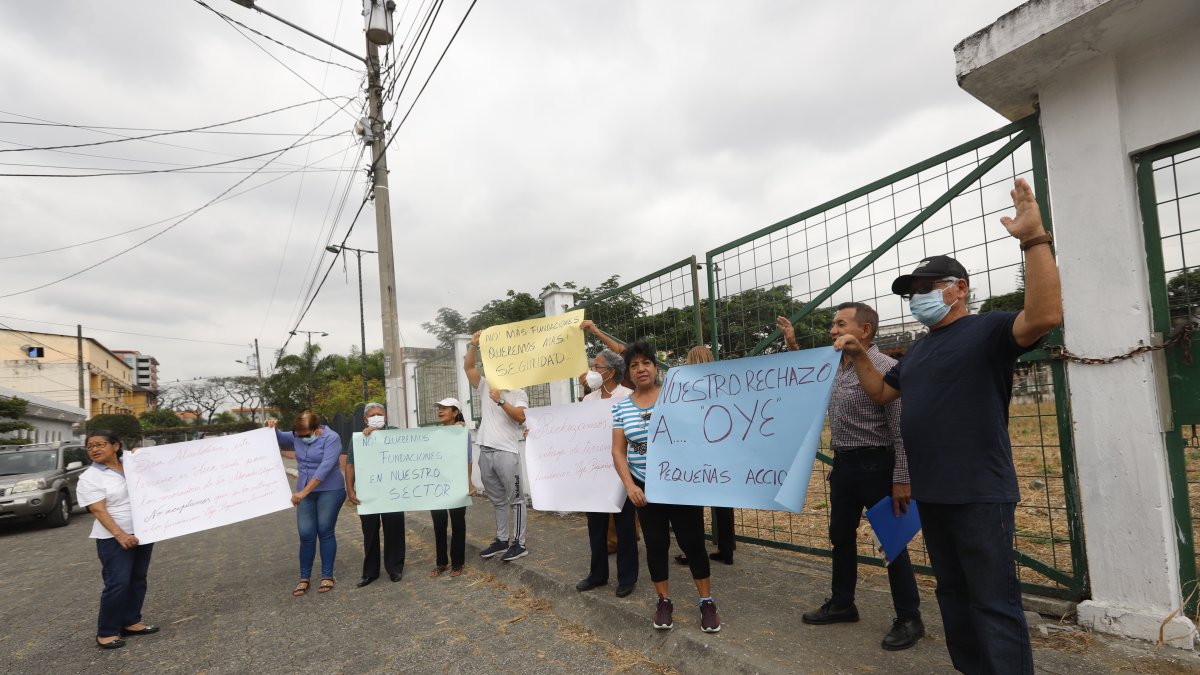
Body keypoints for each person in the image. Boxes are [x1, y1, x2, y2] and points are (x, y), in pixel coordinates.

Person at [836, 178, 1060, 674]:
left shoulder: (988, 330)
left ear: (959, 290)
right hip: (931, 495)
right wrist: (858, 357)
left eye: (926, 288)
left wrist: (1034, 240)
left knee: (994, 602)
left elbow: (1044, 314)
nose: (917, 297)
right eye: (911, 293)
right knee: (954, 596)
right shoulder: (919, 352)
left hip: (979, 492)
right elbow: (881, 392)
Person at [779, 305, 923, 651]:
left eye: (840, 324)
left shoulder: (887, 368)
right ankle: (843, 603)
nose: (832, 330)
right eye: (832, 324)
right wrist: (792, 346)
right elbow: (807, 377)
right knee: (840, 536)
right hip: (844, 467)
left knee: (892, 543)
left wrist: (902, 477)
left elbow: (901, 429)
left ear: (865, 330)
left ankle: (909, 617)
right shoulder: (836, 366)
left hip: (879, 466)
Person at [612, 340, 721, 633]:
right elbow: (618, 452)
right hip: (645, 490)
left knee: (693, 544)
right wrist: (630, 485)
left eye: (645, 363)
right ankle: (664, 601)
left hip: (680, 485)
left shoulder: (677, 396)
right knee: (656, 545)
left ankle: (707, 602)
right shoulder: (621, 407)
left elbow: (701, 428)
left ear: (655, 367)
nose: (640, 369)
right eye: (633, 365)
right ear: (629, 373)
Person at [76, 430, 159, 650]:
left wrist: (142, 457)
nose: (94, 449)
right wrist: (120, 535)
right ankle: (107, 632)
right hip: (114, 538)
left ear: (116, 445)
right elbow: (98, 510)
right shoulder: (89, 477)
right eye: (90, 446)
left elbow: (160, 473)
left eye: (100, 444)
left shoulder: (131, 465)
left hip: (143, 531)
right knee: (117, 583)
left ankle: (131, 622)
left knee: (138, 579)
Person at [576, 348, 639, 598]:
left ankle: (627, 577)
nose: (591, 372)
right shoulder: (589, 400)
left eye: (597, 367)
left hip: (622, 472)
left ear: (611, 372)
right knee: (597, 528)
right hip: (595, 473)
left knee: (625, 528)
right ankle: (598, 574)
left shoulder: (628, 396)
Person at [464, 330, 531, 563]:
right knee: (498, 500)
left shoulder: (518, 392)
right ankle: (501, 539)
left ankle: (519, 543)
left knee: (516, 499)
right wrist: (473, 345)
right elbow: (469, 369)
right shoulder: (485, 386)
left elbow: (520, 417)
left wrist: (501, 400)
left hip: (506, 452)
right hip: (486, 451)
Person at [267, 411, 347, 596]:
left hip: (329, 490)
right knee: (306, 534)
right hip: (305, 492)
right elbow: (277, 437)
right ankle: (304, 577)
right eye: (299, 435)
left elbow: (325, 468)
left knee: (325, 531)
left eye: (306, 435)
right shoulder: (296, 435)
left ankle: (327, 575)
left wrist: (303, 491)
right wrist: (272, 426)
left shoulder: (331, 438)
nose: (302, 438)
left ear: (316, 428)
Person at [673, 345, 737, 567]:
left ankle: (694, 550)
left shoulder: (686, 387)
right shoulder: (724, 384)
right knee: (724, 503)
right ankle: (727, 549)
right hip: (722, 448)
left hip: (696, 450)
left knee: (694, 505)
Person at [345, 402, 406, 587]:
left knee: (394, 530)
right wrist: (350, 488)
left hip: (393, 492)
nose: (377, 417)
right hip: (369, 493)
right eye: (373, 415)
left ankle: (394, 568)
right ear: (365, 419)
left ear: (386, 417)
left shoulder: (396, 432)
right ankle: (370, 572)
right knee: (369, 531)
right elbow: (350, 464)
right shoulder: (358, 439)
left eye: (380, 414)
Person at [430, 397, 475, 577]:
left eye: (445, 408)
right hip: (436, 485)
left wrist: (468, 483)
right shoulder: (434, 433)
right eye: (439, 408)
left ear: (455, 412)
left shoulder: (463, 432)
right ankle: (441, 563)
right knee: (438, 524)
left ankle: (457, 563)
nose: (440, 411)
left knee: (458, 523)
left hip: (456, 484)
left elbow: (468, 459)